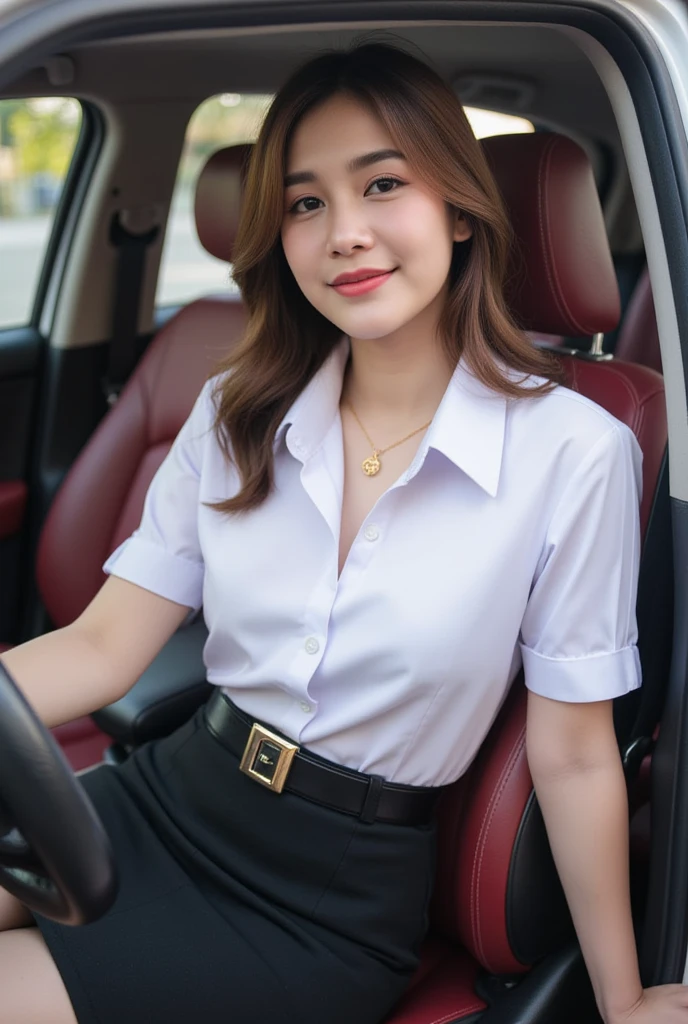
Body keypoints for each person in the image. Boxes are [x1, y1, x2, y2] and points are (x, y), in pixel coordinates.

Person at [0, 39, 686, 1024]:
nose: (344, 233)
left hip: (318, 901)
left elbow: (573, 754)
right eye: (306, 202)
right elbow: (103, 647)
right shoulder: (237, 406)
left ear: (457, 206)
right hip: (163, 794)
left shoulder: (575, 451)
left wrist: (619, 1000)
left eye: (383, 186)